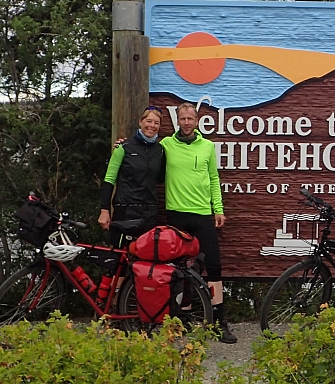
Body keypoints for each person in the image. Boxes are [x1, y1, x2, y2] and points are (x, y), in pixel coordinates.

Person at [159, 102, 237, 344]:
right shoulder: (166, 145)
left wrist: (219, 209)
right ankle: (179, 319)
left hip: (202, 214)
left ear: (196, 120)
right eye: (182, 119)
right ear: (177, 121)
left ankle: (218, 321)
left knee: (213, 266)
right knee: (177, 271)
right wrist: (122, 145)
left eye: (190, 118)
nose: (186, 122)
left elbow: (214, 178)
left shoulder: (207, 146)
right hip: (176, 215)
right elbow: (144, 150)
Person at [97, 107, 165, 302]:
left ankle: (138, 307)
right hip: (125, 212)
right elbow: (109, 180)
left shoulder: (160, 150)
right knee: (119, 261)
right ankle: (111, 306)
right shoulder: (123, 148)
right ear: (141, 122)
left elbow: (162, 178)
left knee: (146, 262)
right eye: (149, 121)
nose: (152, 126)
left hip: (149, 214)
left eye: (156, 123)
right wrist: (104, 210)